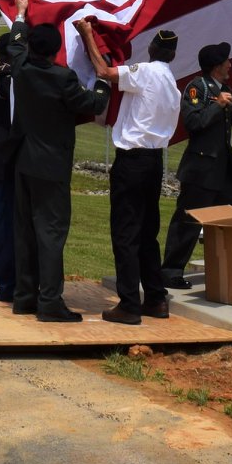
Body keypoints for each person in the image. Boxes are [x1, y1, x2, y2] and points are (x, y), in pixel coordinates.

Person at [6, 12, 111, 321]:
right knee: (51, 234)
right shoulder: (62, 77)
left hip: (25, 162)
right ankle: (50, 301)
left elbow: (15, 42)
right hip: (52, 166)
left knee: (26, 231)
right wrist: (103, 78)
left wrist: (21, 14)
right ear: (54, 52)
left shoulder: (20, 67)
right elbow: (94, 104)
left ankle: (25, 296)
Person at [76, 20, 181, 325]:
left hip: (133, 160)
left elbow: (104, 73)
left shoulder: (146, 73)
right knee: (148, 232)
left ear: (153, 49)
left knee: (125, 232)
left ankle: (129, 304)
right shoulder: (172, 85)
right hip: (154, 161)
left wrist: (88, 36)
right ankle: (156, 298)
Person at [160, 42, 232, 288]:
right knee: (188, 221)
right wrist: (217, 105)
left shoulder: (224, 88)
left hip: (222, 169)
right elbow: (193, 122)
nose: (230, 65)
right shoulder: (197, 87)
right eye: (225, 62)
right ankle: (170, 272)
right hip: (200, 168)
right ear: (215, 66)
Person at [0, 22, 23, 302]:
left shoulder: (10, 75)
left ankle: (17, 279)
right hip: (5, 160)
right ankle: (7, 282)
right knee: (6, 224)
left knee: (17, 223)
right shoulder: (4, 77)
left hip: (11, 159)